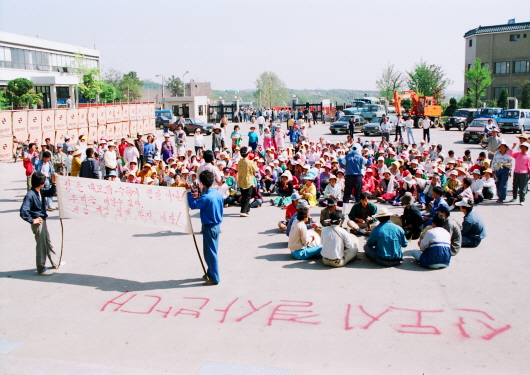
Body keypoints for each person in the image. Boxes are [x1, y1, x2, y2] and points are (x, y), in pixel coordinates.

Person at [20, 172, 62, 276]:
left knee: (47, 242)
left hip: (43, 220)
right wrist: (32, 220)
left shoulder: (40, 191)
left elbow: (51, 193)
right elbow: (23, 211)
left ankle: (55, 261)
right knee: (41, 246)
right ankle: (41, 268)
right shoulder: (30, 195)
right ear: (40, 183)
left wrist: (54, 183)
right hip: (37, 222)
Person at [186, 170, 224, 286]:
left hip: (209, 226)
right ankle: (210, 272)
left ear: (202, 183)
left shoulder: (206, 197)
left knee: (210, 252)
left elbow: (193, 205)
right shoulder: (217, 193)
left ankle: (214, 277)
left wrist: (188, 191)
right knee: (212, 250)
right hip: (217, 225)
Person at [237, 147, 258, 217]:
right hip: (248, 181)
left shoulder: (239, 162)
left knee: (244, 196)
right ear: (247, 154)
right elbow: (255, 170)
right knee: (247, 197)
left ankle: (246, 210)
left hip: (241, 181)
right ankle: (243, 211)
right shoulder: (250, 162)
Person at [508, 141, 530, 206]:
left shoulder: (528, 156)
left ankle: (522, 200)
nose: (523, 149)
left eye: (524, 148)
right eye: (522, 147)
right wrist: (513, 147)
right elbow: (510, 153)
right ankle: (514, 197)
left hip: (524, 173)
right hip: (517, 172)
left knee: (522, 187)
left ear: (526, 149)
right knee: (515, 185)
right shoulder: (518, 154)